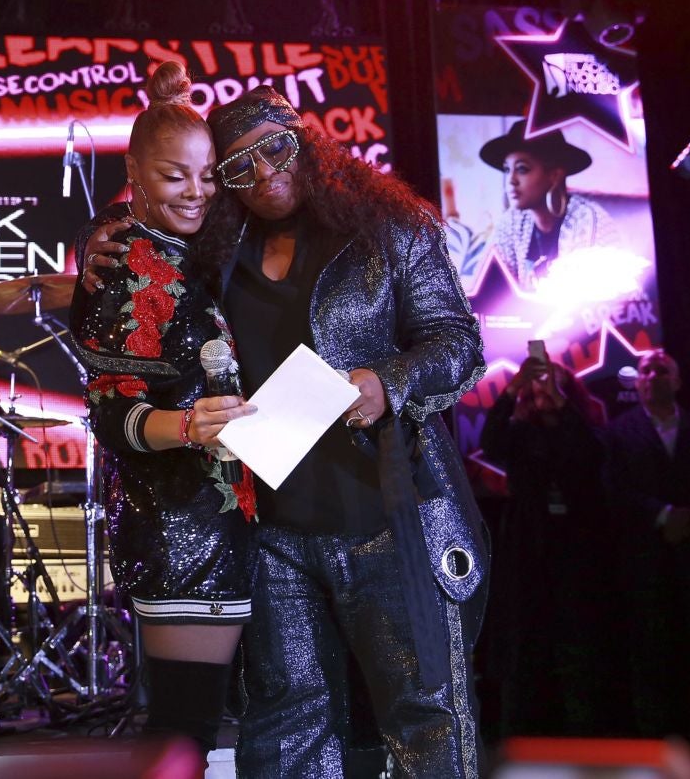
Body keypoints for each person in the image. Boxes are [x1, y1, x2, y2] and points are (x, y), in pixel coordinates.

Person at [83, 84, 489, 778]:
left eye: (276, 149)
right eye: (238, 167)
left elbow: (458, 343)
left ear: (308, 143)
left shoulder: (393, 227)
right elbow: (156, 228)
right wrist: (100, 236)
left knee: (428, 717)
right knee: (284, 730)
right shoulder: (217, 247)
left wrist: (386, 382)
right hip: (272, 530)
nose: (265, 173)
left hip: (391, 514)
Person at [68, 61, 257, 769]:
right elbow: (110, 413)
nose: (197, 191)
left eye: (207, 175)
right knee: (183, 734)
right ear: (134, 173)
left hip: (222, 517)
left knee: (205, 731)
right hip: (180, 524)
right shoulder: (127, 262)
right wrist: (187, 426)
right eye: (175, 176)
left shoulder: (187, 250)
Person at [479, 351, 625, 738]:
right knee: (528, 651)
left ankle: (585, 739)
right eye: (539, 384)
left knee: (579, 652)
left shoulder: (584, 429)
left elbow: (591, 454)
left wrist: (559, 399)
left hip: (578, 553)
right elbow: (491, 442)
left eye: (553, 383)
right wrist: (514, 386)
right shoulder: (520, 433)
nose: (543, 389)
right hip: (529, 551)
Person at [606, 349, 690, 738]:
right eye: (646, 371)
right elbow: (613, 491)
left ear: (678, 381)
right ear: (637, 383)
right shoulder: (618, 433)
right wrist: (662, 516)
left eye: (662, 370)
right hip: (646, 568)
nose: (653, 376)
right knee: (653, 661)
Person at [479, 119, 620, 290]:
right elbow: (490, 285)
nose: (511, 180)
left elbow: (591, 295)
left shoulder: (587, 219)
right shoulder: (511, 222)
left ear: (554, 176)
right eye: (507, 169)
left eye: (522, 169)